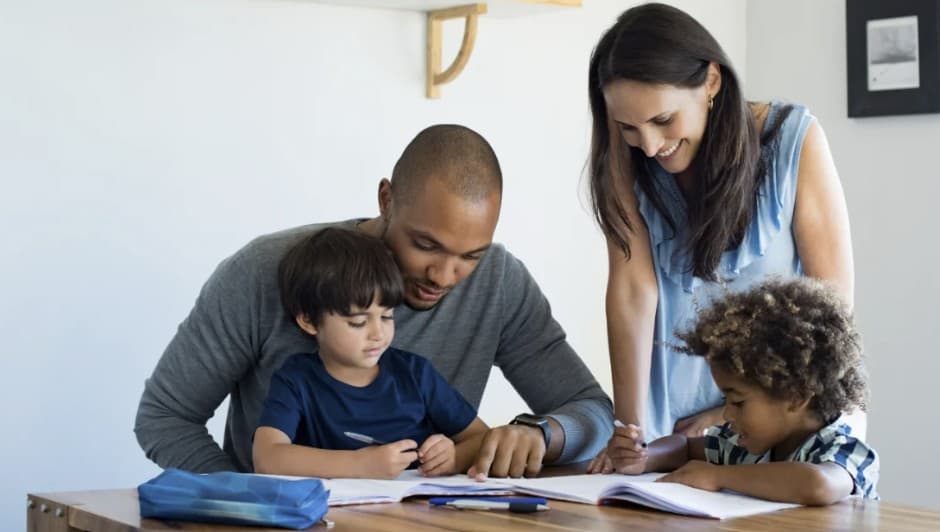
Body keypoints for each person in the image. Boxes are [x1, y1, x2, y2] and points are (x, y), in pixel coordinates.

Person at [135, 124, 613, 478]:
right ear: (387, 199)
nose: (445, 276)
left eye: (470, 255)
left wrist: (542, 433)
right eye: (425, 245)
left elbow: (592, 411)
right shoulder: (264, 271)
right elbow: (164, 417)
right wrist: (247, 504)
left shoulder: (499, 282)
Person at [584, 3, 857, 471]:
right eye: (628, 127)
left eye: (663, 120)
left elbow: (830, 307)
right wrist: (629, 431)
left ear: (711, 81)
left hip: (782, 423)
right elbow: (633, 292)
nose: (649, 145)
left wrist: (730, 411)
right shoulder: (626, 161)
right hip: (667, 430)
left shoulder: (795, 139)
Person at [607, 278, 879, 504]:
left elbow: (817, 485)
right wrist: (645, 457)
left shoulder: (842, 447)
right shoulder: (744, 445)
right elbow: (685, 447)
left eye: (737, 402)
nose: (726, 414)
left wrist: (718, 476)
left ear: (796, 396)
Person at [252, 227, 489, 479]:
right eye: (358, 322)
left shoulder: (415, 374)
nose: (378, 333)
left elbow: (482, 437)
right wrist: (360, 465)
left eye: (387, 316)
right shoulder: (296, 380)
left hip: (417, 511)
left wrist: (453, 457)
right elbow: (267, 457)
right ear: (309, 321)